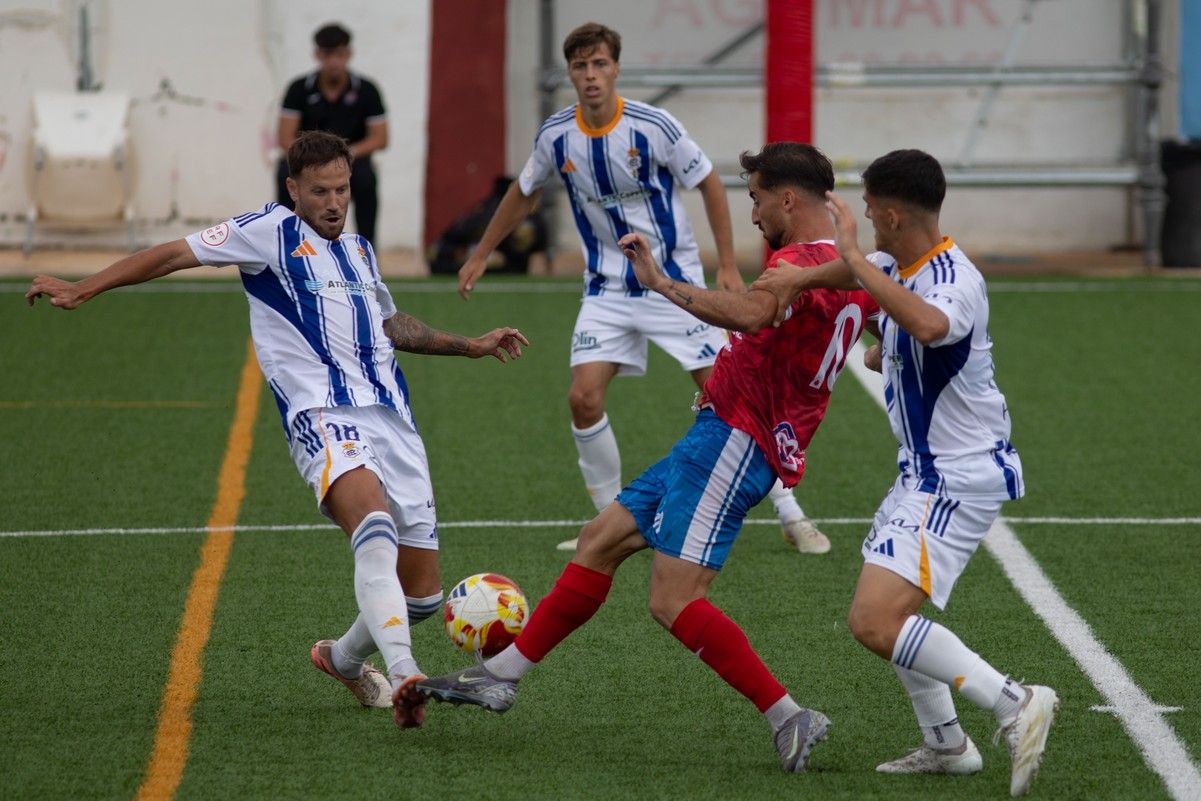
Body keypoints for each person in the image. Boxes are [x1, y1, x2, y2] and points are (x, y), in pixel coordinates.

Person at [26, 131, 528, 730]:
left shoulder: (362, 252)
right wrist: (85, 287)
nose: (335, 201)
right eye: (320, 191)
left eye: (342, 188)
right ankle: (405, 677)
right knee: (373, 526)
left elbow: (390, 325)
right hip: (322, 415)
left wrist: (471, 345)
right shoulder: (268, 232)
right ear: (294, 189)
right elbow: (172, 253)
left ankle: (341, 660)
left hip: (394, 420)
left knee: (421, 596)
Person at [416, 142, 878, 771]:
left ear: (789, 199)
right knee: (600, 538)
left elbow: (753, 312)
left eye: (757, 199)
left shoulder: (797, 264)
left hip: (738, 443)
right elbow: (880, 327)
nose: (753, 215)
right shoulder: (849, 270)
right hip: (717, 436)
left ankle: (788, 715)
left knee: (673, 600)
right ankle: (501, 674)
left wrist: (660, 283)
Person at [454, 21, 828, 554]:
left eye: (600, 64)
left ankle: (793, 516)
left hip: (673, 285)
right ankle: (607, 521)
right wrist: (483, 252)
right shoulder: (557, 135)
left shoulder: (655, 126)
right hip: (606, 290)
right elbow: (524, 191)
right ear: (570, 74)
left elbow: (708, 182)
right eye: (580, 67)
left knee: (736, 391)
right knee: (583, 398)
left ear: (616, 68)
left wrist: (724, 263)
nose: (590, 76)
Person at [753, 149, 1058, 796]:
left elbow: (924, 320)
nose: (862, 223)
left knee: (874, 619)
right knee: (882, 611)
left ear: (891, 215)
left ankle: (1015, 701)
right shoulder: (897, 261)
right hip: (920, 471)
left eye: (867, 213)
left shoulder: (955, 279)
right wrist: (794, 283)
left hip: (955, 475)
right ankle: (946, 743)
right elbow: (857, 280)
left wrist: (856, 262)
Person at [276, 23, 387, 245]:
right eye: (327, 54)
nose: (334, 62)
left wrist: (345, 156)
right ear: (317, 55)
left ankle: (366, 251)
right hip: (308, 163)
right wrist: (313, 161)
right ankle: (286, 245)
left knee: (365, 179)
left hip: (351, 163)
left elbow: (380, 138)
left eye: (339, 54)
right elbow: (285, 138)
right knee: (284, 173)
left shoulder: (367, 90)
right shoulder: (299, 89)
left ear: (348, 54)